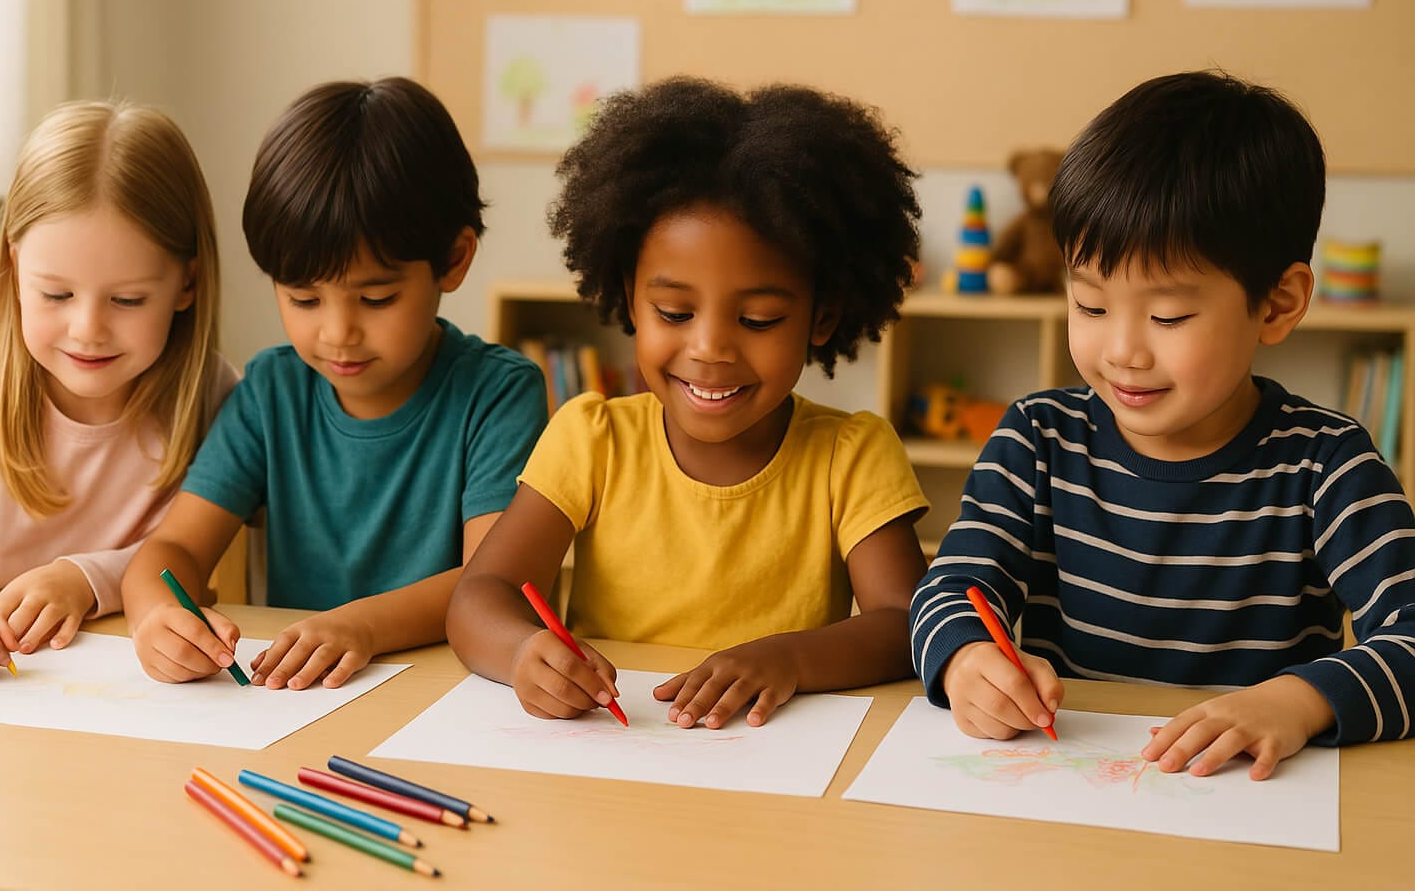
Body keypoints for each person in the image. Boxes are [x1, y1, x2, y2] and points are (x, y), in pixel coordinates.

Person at [910, 70, 1415, 779]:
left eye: (1168, 316)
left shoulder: (1326, 464)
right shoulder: (1037, 440)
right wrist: (965, 658)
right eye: (1090, 305)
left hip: (1250, 803)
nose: (1121, 351)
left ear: (1276, 305)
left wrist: (1300, 702)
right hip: (1070, 790)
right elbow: (953, 585)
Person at [448, 76, 930, 729]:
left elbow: (905, 623)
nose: (709, 349)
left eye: (758, 319)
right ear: (629, 295)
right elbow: (479, 596)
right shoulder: (592, 438)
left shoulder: (853, 455)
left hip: (777, 764)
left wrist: (786, 660)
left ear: (822, 318)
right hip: (616, 747)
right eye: (674, 311)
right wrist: (522, 651)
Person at [122, 77, 547, 690]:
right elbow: (174, 552)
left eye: (375, 298)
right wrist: (158, 616)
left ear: (453, 261)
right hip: (301, 697)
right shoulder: (271, 392)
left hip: (447, 693)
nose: (338, 332)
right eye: (303, 298)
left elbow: (489, 580)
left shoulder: (498, 394)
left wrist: (361, 626)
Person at [0, 100, 232, 681]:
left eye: (127, 300)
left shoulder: (214, 397)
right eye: (56, 295)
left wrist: (83, 578)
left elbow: (190, 553)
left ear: (187, 283)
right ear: (15, 268)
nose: (88, 329)